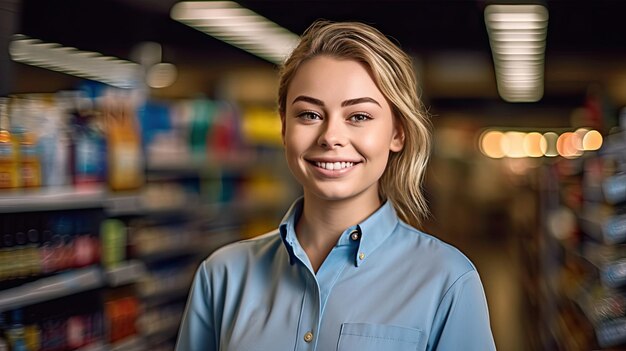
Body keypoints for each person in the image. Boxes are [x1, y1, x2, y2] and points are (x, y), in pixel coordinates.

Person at [175, 20, 496, 351]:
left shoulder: (448, 281)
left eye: (358, 116)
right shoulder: (222, 277)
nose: (330, 137)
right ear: (284, 129)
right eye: (310, 115)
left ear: (397, 133)